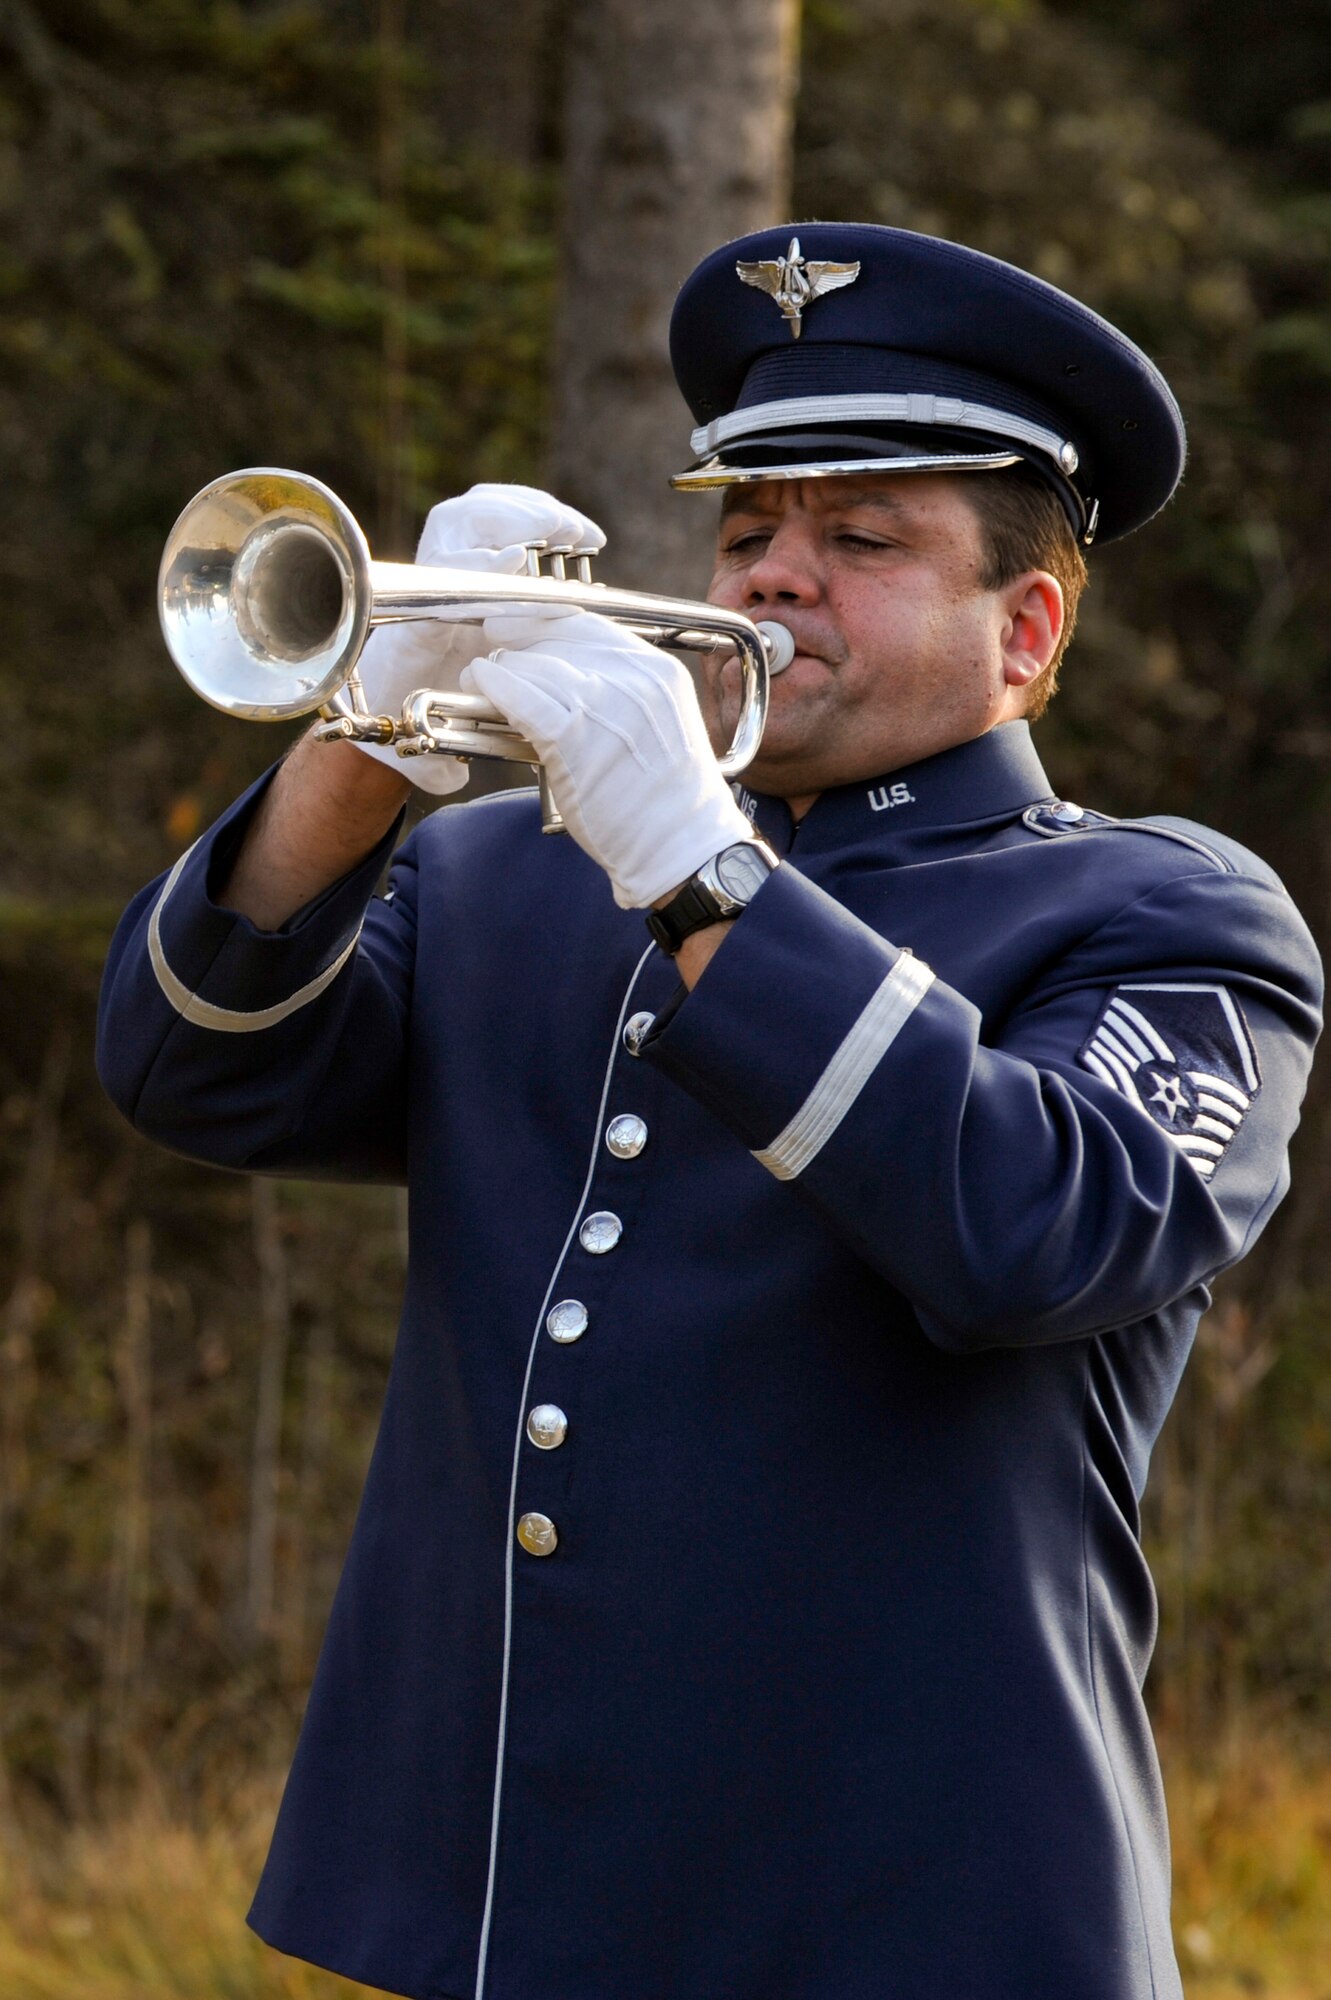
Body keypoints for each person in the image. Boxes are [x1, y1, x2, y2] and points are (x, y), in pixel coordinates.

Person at [97, 225, 1321, 2000]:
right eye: (749, 530)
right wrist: (375, 729)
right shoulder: (509, 867)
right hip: (501, 1917)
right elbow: (186, 1066)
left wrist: (695, 860)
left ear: (1030, 629)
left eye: (861, 539)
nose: (773, 579)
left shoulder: (1172, 916)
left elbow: (1033, 1229)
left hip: (919, 1925)